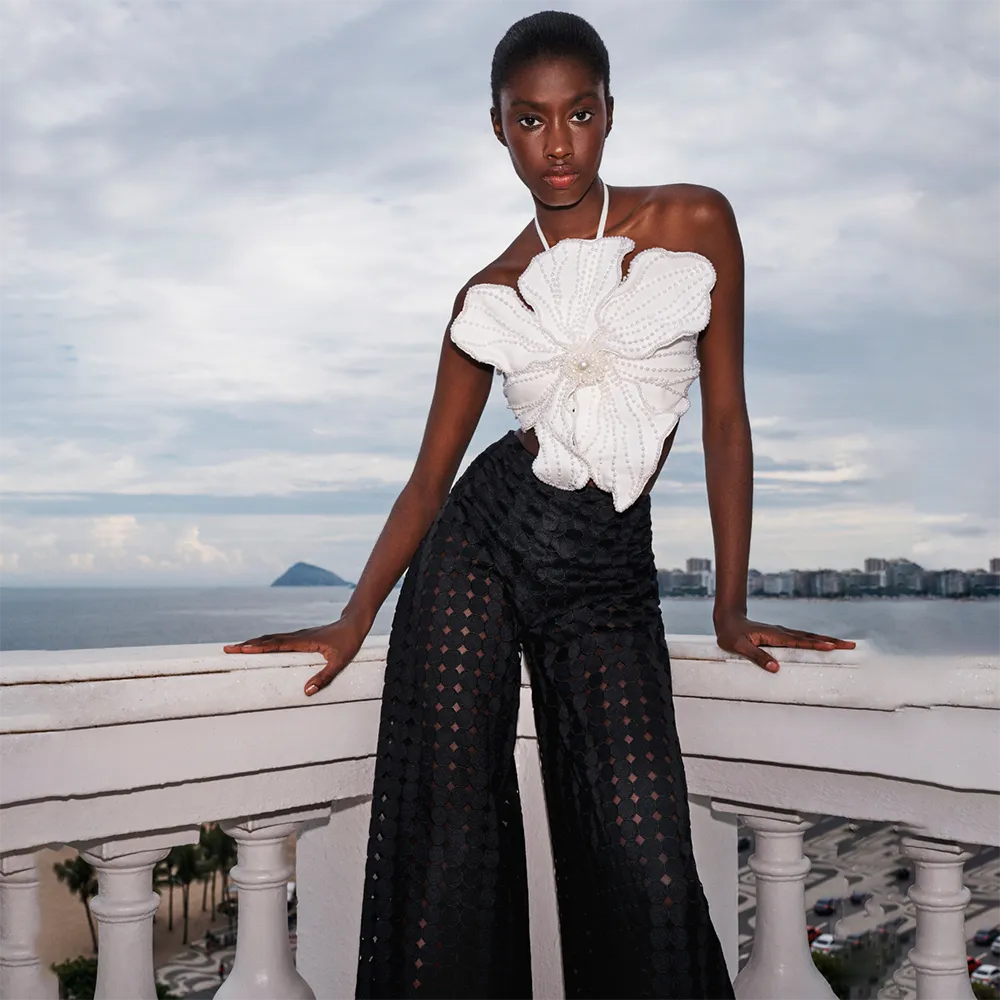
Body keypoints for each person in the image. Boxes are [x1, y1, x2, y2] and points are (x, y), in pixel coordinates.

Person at [225, 11, 854, 998]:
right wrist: (355, 617)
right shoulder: (491, 290)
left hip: (606, 575)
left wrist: (729, 606)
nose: (556, 144)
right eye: (529, 120)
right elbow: (430, 480)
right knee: (451, 842)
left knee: (645, 853)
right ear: (497, 128)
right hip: (483, 547)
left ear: (608, 115)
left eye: (578, 115)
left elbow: (726, 419)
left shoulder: (694, 221)